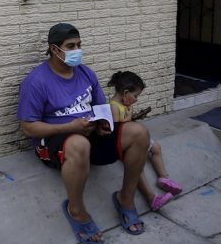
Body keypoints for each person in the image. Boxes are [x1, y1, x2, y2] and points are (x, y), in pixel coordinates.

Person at [17, 23, 150, 243]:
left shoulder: (86, 73)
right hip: (55, 140)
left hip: (89, 135)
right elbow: (28, 127)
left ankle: (126, 199)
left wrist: (102, 124)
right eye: (70, 46)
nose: (77, 50)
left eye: (79, 45)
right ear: (54, 49)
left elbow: (100, 109)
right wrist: (69, 127)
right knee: (79, 144)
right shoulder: (36, 81)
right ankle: (76, 210)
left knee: (139, 133)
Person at [108, 71, 183, 211]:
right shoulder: (113, 106)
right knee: (137, 166)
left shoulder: (126, 104)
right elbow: (117, 129)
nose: (136, 99)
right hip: (123, 145)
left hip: (134, 139)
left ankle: (163, 178)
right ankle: (152, 198)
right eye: (135, 96)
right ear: (125, 93)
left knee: (156, 147)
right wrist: (130, 116)